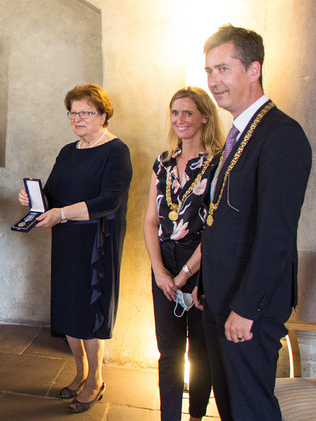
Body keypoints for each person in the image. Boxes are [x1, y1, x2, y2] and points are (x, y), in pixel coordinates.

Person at [198, 24, 312, 420]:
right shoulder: (239, 132)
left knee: (251, 410)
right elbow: (221, 219)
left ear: (253, 69)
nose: (214, 81)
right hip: (220, 296)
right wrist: (204, 285)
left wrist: (246, 308)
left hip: (249, 307)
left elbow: (275, 236)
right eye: (209, 70)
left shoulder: (281, 135)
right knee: (230, 406)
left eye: (223, 69)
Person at [18, 84, 132, 413]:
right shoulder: (69, 150)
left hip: (97, 242)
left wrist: (62, 213)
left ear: (104, 115)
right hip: (67, 239)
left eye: (86, 112)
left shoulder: (116, 151)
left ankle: (96, 378)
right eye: (73, 112)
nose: (78, 119)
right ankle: (80, 371)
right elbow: (54, 193)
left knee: (89, 312)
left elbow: (109, 201)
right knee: (68, 310)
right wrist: (34, 200)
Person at [143, 87, 222, 421]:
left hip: (200, 263)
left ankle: (196, 416)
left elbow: (218, 230)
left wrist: (185, 274)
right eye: (175, 113)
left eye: (188, 113)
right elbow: (149, 221)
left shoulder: (219, 162)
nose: (180, 120)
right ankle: (170, 417)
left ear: (204, 115)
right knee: (169, 350)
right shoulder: (162, 162)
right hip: (165, 258)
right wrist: (160, 270)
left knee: (200, 350)